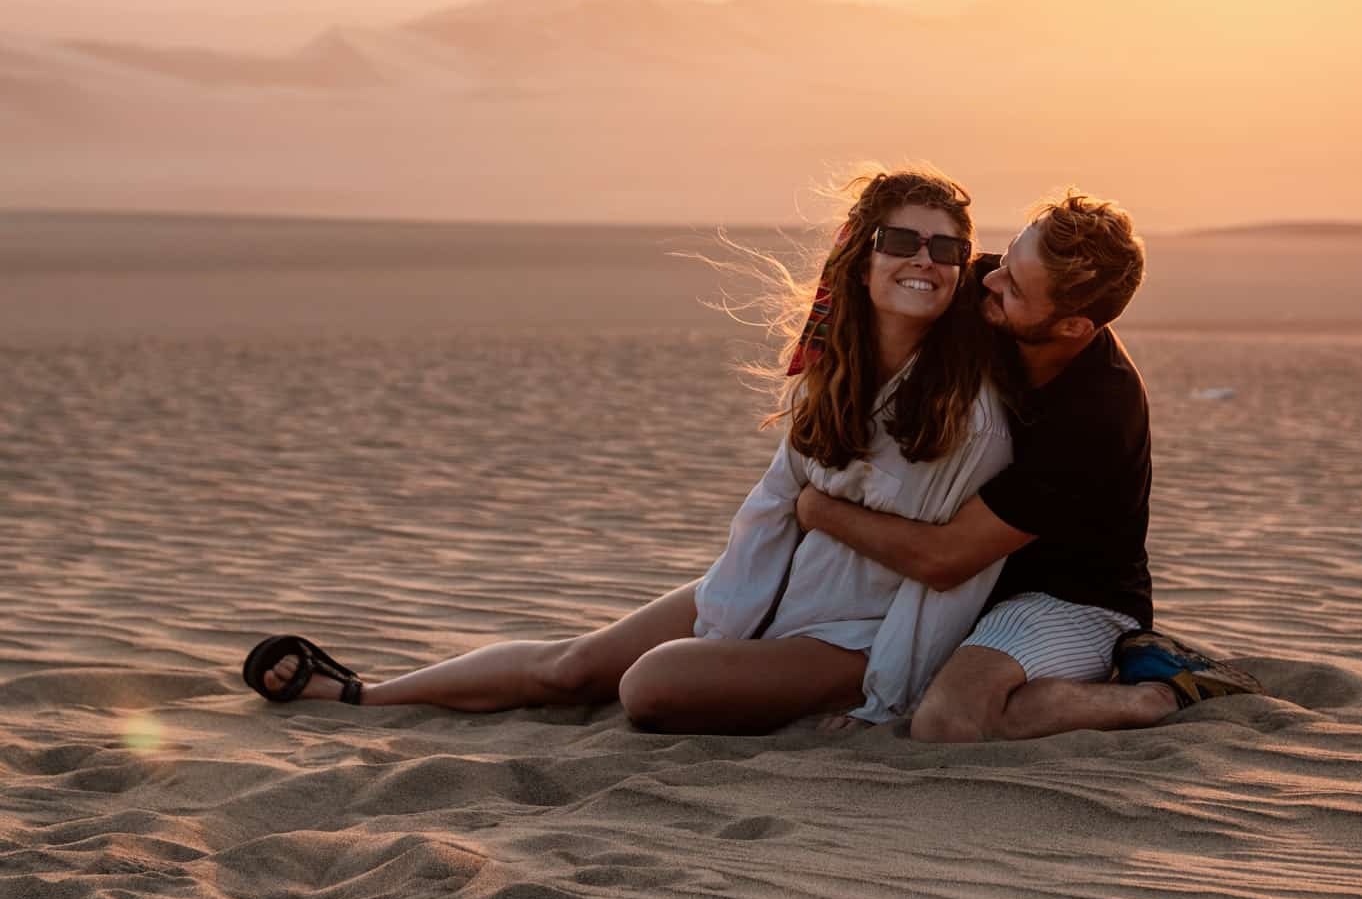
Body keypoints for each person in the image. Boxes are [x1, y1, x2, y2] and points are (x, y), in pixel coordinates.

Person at [241, 165, 1014, 734]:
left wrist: (892, 688)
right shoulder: (828, 377)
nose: (925, 260)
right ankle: (361, 696)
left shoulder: (962, 406)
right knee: (572, 668)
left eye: (947, 250)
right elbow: (776, 512)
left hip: (854, 637)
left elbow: (944, 572)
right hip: (768, 591)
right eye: (903, 240)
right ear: (860, 255)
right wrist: (735, 606)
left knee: (650, 687)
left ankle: (805, 691)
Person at [795, 189, 1261, 741]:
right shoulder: (993, 284)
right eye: (1006, 258)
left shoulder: (1097, 415)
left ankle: (1157, 693)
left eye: (1013, 287)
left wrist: (815, 506)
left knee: (950, 721)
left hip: (1066, 598)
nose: (986, 279)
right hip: (965, 584)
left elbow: (944, 560)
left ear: (1071, 328)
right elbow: (859, 272)